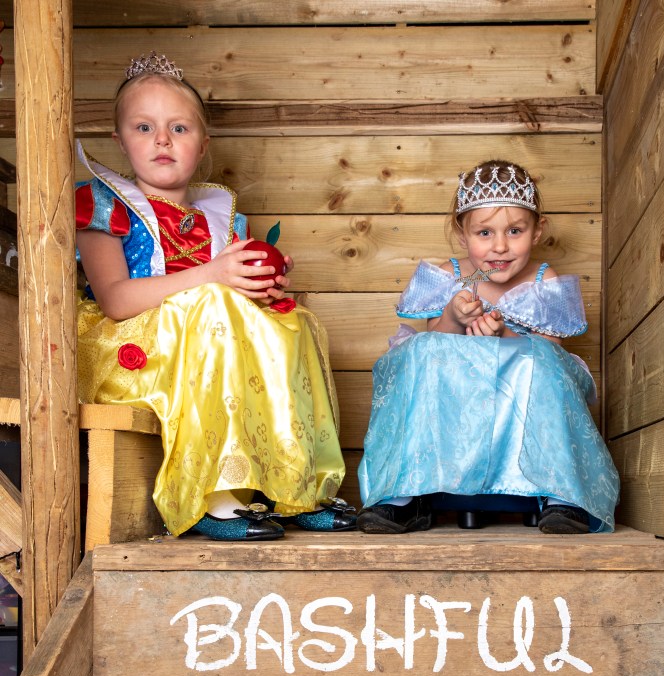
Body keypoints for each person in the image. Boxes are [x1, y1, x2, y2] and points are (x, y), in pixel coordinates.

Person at [75, 52, 355, 541]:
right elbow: (116, 301)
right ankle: (215, 497)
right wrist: (213, 276)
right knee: (213, 304)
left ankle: (295, 490)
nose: (162, 139)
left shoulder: (224, 219)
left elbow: (233, 300)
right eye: (144, 128)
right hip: (131, 350)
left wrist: (260, 287)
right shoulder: (104, 202)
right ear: (119, 140)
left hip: (208, 337)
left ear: (202, 145)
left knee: (294, 322)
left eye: (179, 129)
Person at [357, 159, 619, 534]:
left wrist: (504, 338)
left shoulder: (544, 280)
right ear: (463, 234)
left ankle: (560, 493)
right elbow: (437, 342)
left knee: (543, 362)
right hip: (457, 398)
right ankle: (406, 494)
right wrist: (454, 315)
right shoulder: (450, 276)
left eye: (515, 230)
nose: (500, 246)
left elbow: (549, 351)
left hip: (516, 392)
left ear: (538, 230)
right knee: (421, 351)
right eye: (484, 233)